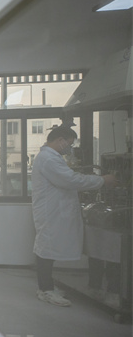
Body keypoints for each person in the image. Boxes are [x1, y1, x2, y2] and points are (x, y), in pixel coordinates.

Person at [31, 126, 117, 306]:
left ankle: (47, 287)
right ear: (60, 140)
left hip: (53, 211)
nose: (70, 148)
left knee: (47, 248)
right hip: (51, 212)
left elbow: (69, 179)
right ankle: (45, 290)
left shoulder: (51, 158)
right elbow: (71, 180)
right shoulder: (48, 159)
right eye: (69, 144)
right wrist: (102, 180)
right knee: (46, 249)